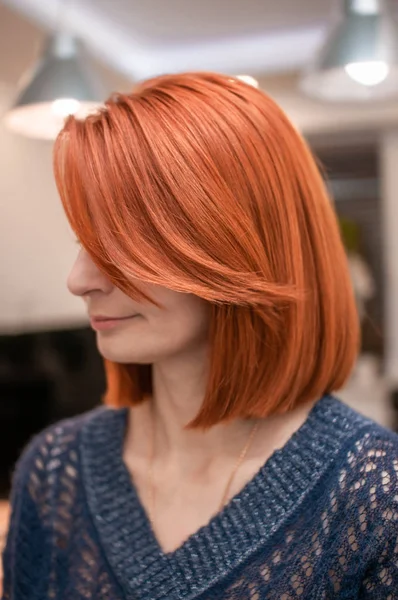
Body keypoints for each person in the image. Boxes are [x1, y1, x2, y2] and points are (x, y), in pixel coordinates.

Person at [2, 72, 398, 600]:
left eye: (121, 241)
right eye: (84, 239)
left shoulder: (372, 497)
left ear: (238, 246)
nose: (78, 281)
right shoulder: (55, 473)